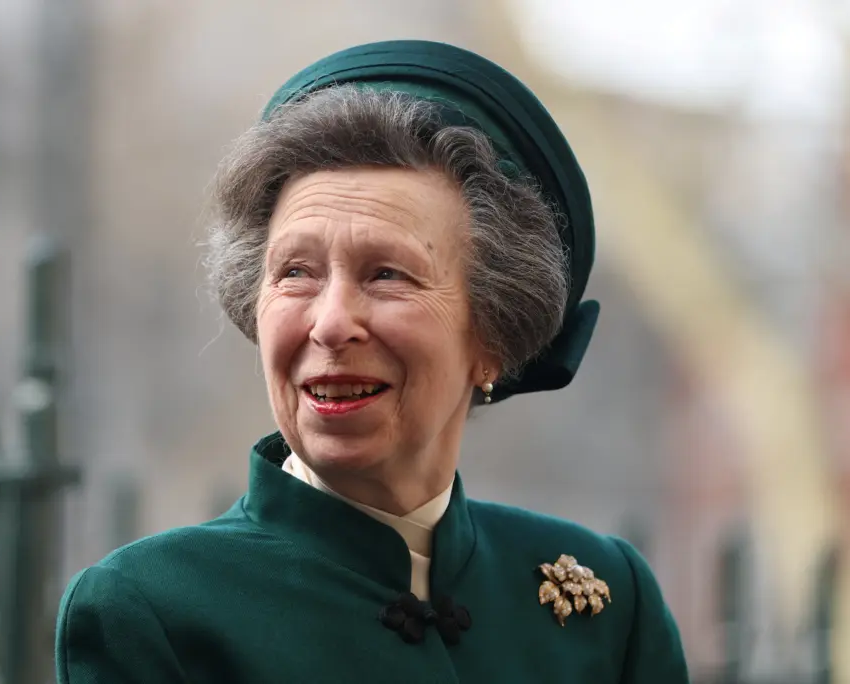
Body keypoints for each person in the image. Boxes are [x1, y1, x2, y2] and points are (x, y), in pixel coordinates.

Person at [55, 40, 689, 683]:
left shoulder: (607, 604)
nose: (331, 323)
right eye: (295, 273)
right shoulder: (151, 612)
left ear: (493, 335)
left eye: (387, 275)